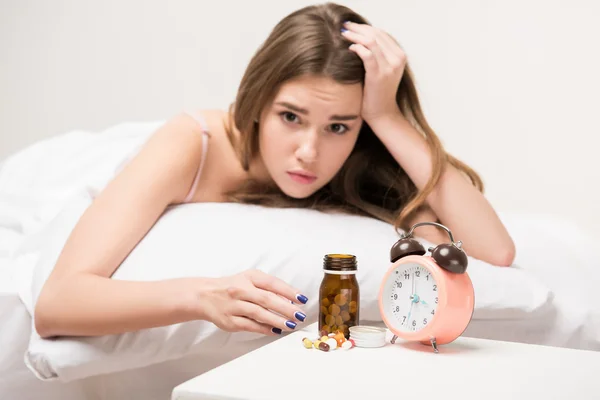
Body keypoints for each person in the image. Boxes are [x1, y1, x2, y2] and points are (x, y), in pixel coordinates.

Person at [34, 2, 515, 339]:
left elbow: (494, 248)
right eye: (291, 117)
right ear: (259, 100)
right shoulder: (191, 146)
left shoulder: (360, 158)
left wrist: (387, 116)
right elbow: (57, 305)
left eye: (338, 126)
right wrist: (203, 295)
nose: (309, 152)